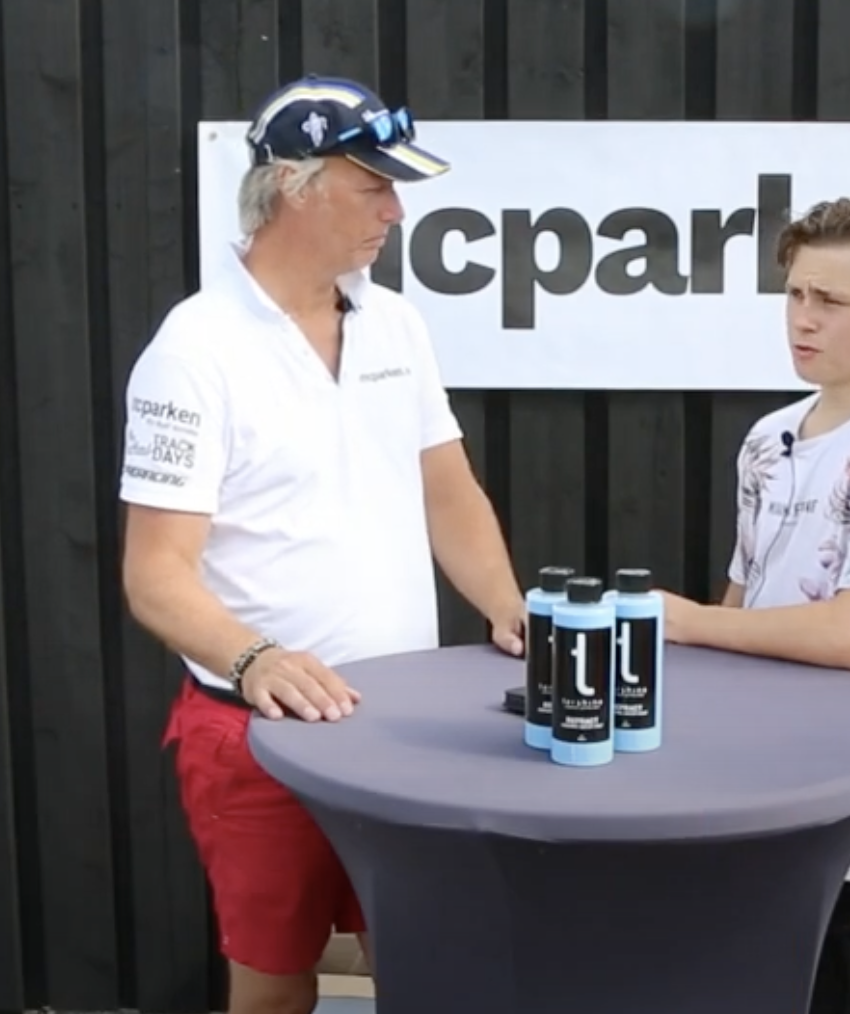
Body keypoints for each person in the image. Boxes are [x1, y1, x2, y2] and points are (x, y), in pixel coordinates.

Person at [118, 74, 526, 1014]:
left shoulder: (395, 322)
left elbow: (447, 489)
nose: (396, 211)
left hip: (403, 726)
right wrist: (254, 656)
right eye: (373, 186)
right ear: (291, 188)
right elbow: (154, 575)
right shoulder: (195, 350)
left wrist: (506, 605)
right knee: (274, 989)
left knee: (428, 976)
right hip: (260, 736)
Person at [657, 196, 850, 1014]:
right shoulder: (769, 438)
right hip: (759, 780)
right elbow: (743, 603)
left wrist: (681, 619)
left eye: (831, 300)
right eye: (795, 294)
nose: (803, 319)